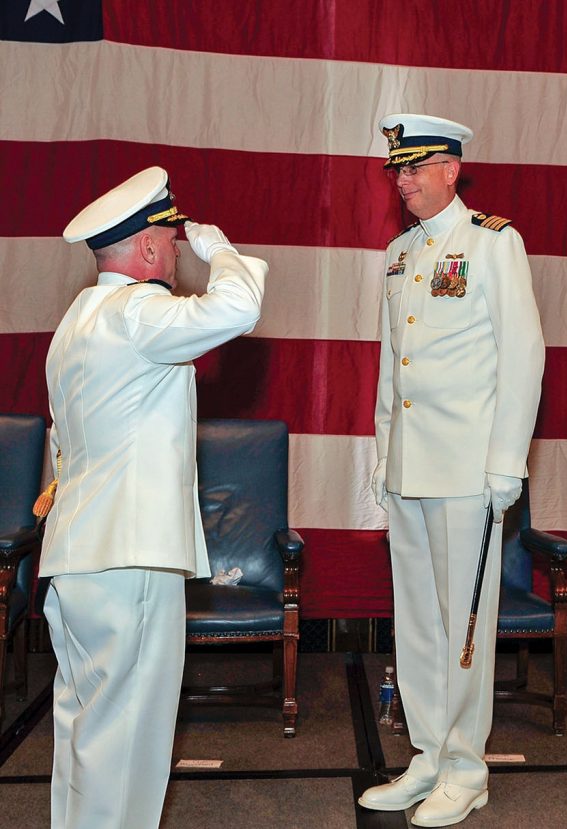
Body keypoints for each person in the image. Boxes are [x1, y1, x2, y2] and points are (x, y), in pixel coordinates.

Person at [41, 166, 267, 829]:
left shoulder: (74, 324)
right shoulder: (138, 312)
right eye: (169, 239)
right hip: (130, 558)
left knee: (82, 732)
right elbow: (239, 307)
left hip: (78, 555)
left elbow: (61, 445)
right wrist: (220, 248)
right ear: (145, 249)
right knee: (129, 741)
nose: (177, 251)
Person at [359, 114, 544, 827]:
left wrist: (507, 459)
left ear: (451, 170)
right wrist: (382, 449)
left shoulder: (494, 242)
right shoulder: (400, 254)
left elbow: (523, 352)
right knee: (418, 621)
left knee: (464, 619)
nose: (402, 180)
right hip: (410, 462)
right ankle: (430, 753)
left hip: (469, 464)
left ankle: (468, 767)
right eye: (395, 170)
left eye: (415, 167)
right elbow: (390, 364)